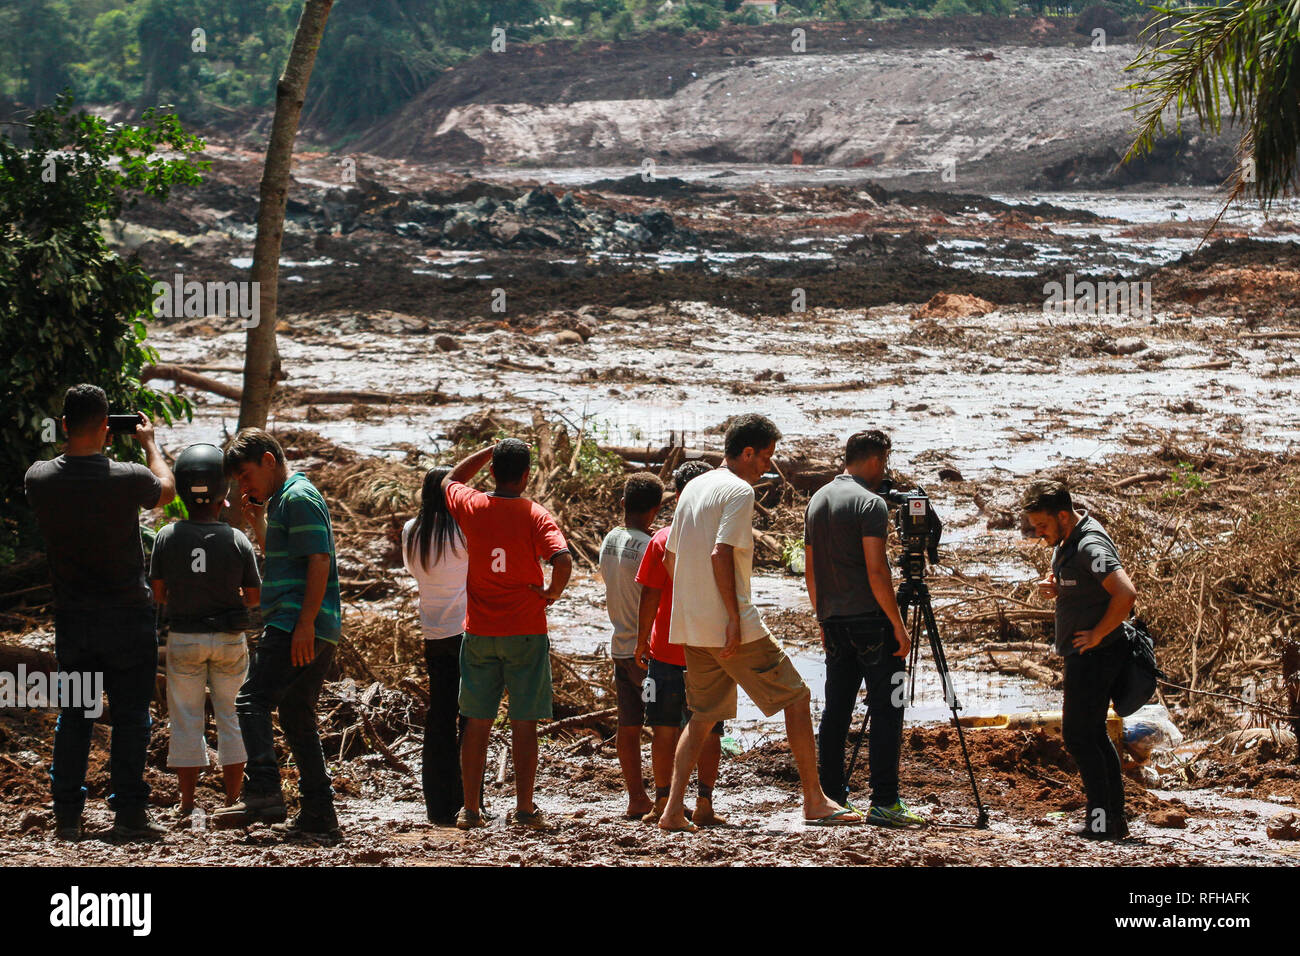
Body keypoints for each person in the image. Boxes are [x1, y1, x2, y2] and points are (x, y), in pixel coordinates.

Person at [658, 414, 861, 831]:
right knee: (797, 697)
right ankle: (813, 799)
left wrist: (698, 609)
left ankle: (672, 811)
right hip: (731, 624)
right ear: (747, 452)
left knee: (701, 716)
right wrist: (732, 618)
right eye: (766, 457)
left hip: (691, 624)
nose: (768, 466)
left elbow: (670, 558)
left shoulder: (693, 486)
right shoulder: (738, 490)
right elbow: (720, 554)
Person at [24, 384, 176, 841]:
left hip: (75, 620)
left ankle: (67, 817)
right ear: (108, 428)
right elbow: (166, 490)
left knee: (76, 716)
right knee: (131, 717)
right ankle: (128, 814)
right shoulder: (129, 477)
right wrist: (149, 443)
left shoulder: (39, 478)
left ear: (65, 425)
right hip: (128, 617)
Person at [212, 429, 343, 840]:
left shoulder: (298, 497)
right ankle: (319, 811)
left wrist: (304, 624)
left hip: (295, 622)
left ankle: (264, 788)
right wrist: (257, 522)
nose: (245, 486)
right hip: (312, 623)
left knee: (251, 700)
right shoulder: (286, 499)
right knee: (295, 714)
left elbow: (319, 561)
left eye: (247, 476)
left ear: (269, 460)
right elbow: (287, 554)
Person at [440, 439, 572, 831]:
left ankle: (471, 809)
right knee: (524, 722)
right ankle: (525, 808)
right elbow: (562, 560)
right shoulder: (536, 515)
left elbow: (449, 478)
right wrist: (551, 593)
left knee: (476, 721)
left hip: (480, 630)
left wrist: (484, 451)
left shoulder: (473, 505)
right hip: (526, 631)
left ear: (493, 472)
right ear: (527, 475)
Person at [804, 429, 924, 827]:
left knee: (836, 711)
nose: (884, 471)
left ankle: (830, 797)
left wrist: (822, 616)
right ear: (876, 459)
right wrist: (898, 625)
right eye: (884, 463)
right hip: (872, 622)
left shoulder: (817, 499)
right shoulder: (871, 504)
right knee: (888, 708)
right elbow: (877, 570)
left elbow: (811, 571)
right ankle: (885, 801)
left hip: (834, 621)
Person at [149, 442, 260, 824]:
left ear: (180, 490)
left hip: (184, 638)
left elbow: (159, 593)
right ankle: (232, 798)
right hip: (229, 640)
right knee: (232, 717)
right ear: (223, 492)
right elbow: (253, 597)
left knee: (185, 718)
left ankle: (186, 804)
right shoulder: (237, 539)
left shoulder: (166, 536)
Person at [1023, 480, 1137, 841]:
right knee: (1091, 734)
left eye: (1042, 525)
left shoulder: (1089, 544)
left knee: (1078, 736)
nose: (1038, 533)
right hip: (1085, 653)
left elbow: (1126, 593)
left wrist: (1099, 633)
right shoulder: (1068, 541)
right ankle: (1111, 820)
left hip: (1097, 654)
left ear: (1062, 515)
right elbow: (1086, 583)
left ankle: (1103, 821)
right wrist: (1059, 587)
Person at [634, 459, 726, 826]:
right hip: (707, 648)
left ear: (676, 495)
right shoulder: (719, 541)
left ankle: (661, 800)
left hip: (666, 650)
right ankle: (704, 802)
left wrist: (641, 641)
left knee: (664, 728)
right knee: (708, 728)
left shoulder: (662, 539)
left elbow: (650, 595)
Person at [401, 466, 473, 826]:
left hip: (433, 633)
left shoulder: (412, 531)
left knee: (439, 715)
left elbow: (414, 573)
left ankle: (437, 803)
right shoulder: (461, 531)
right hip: (464, 631)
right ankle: (466, 800)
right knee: (468, 716)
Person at [598, 472, 663, 820]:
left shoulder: (610, 538)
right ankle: (666, 795)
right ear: (654, 511)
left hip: (620, 647)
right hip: (647, 654)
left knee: (629, 725)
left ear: (623, 504)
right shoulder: (651, 547)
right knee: (666, 724)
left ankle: (637, 797)